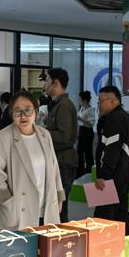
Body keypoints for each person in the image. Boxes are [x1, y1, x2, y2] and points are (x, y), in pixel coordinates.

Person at [0, 90, 64, 231]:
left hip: (46, 208)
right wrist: (8, 204)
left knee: (45, 243)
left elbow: (54, 169)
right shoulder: (2, 138)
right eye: (17, 111)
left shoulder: (44, 135)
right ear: (11, 113)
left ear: (36, 112)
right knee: (22, 245)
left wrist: (59, 196)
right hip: (18, 211)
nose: (23, 116)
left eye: (27, 110)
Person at [94, 85, 129, 234]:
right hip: (122, 172)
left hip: (113, 176)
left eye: (101, 101)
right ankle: (127, 240)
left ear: (113, 101)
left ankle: (105, 243)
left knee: (104, 215)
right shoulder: (122, 117)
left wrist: (103, 175)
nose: (98, 104)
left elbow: (111, 149)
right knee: (120, 211)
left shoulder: (115, 118)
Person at [42, 67, 78, 222]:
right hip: (58, 159)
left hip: (63, 161)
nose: (44, 84)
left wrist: (42, 132)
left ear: (55, 83)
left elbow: (64, 136)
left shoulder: (63, 105)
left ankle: (60, 234)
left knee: (59, 205)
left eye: (47, 80)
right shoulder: (57, 104)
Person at [77, 90, 96, 177]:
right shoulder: (82, 109)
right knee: (79, 151)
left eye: (80, 99)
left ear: (84, 100)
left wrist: (80, 119)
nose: (79, 101)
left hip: (87, 131)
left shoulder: (90, 110)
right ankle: (80, 170)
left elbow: (91, 123)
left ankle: (89, 169)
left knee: (87, 151)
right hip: (82, 130)